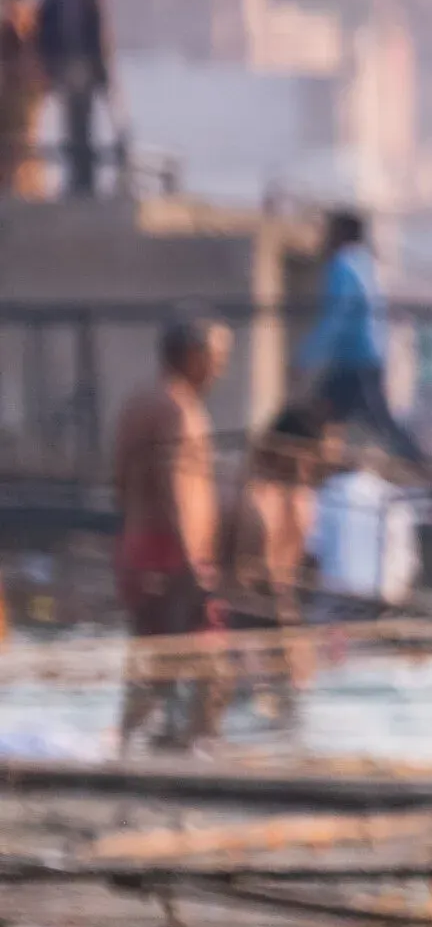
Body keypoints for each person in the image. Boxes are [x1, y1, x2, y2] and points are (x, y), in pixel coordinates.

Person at [113, 312, 231, 749]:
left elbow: (122, 483)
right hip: (172, 553)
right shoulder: (178, 409)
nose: (220, 367)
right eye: (216, 356)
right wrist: (191, 564)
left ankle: (136, 744)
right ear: (191, 354)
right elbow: (175, 491)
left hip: (139, 546)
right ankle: (194, 751)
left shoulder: (136, 402)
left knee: (152, 657)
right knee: (207, 660)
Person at [296, 208, 432, 476]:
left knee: (328, 419)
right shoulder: (365, 263)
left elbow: (337, 316)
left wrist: (306, 357)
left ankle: (431, 476)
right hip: (366, 359)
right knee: (334, 420)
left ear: (343, 233)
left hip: (354, 363)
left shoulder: (343, 264)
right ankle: (321, 473)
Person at [227, 399, 336, 726]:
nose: (319, 469)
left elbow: (292, 571)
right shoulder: (255, 496)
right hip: (246, 621)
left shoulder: (302, 498)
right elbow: (246, 574)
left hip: (281, 619)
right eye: (315, 458)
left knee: (289, 712)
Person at [36, 0, 112, 197]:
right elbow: (93, 31)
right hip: (79, 65)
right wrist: (101, 69)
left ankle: (81, 181)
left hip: (71, 66)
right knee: (80, 125)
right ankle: (82, 182)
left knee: (77, 125)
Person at [0, 0, 44, 195]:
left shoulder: (12, 16)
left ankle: (15, 190)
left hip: (15, 92)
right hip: (31, 92)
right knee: (24, 142)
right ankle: (27, 189)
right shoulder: (30, 13)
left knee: (13, 143)